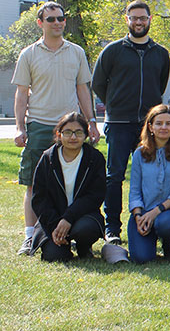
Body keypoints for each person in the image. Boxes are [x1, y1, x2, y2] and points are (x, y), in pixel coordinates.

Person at [12, 2, 99, 255]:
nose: (57, 23)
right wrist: (20, 127)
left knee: (74, 184)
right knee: (32, 184)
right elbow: (21, 93)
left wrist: (91, 122)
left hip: (71, 128)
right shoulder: (28, 54)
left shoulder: (76, 52)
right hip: (39, 125)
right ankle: (30, 237)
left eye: (61, 18)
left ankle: (74, 230)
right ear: (40, 23)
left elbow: (83, 89)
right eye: (51, 19)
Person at [92, 0, 170, 245]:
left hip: (149, 125)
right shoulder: (112, 51)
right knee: (114, 176)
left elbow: (160, 84)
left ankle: (154, 225)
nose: (139, 22)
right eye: (134, 18)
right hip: (118, 123)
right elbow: (98, 84)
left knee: (155, 175)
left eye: (143, 18)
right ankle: (112, 227)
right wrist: (115, 104)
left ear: (149, 20)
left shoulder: (160, 53)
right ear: (126, 20)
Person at [29, 112, 106, 261]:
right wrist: (54, 226)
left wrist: (68, 218)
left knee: (84, 230)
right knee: (54, 257)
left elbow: (95, 196)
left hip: (82, 216)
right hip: (53, 219)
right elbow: (40, 198)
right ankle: (61, 242)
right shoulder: (47, 158)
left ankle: (84, 247)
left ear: (86, 135)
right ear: (59, 134)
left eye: (78, 132)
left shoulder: (94, 158)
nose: (73, 137)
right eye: (68, 132)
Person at [127, 104, 170, 263]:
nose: (164, 127)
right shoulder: (139, 153)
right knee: (141, 258)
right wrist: (138, 216)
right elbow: (134, 190)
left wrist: (156, 212)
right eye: (159, 123)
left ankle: (168, 242)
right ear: (150, 127)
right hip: (143, 212)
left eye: (168, 123)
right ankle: (149, 239)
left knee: (166, 225)